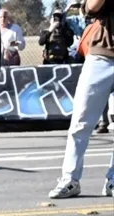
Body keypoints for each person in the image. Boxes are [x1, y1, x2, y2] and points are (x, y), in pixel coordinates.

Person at [48, 0, 114, 199]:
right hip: (102, 56)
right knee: (81, 121)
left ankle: (112, 181)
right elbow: (90, 8)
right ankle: (70, 179)